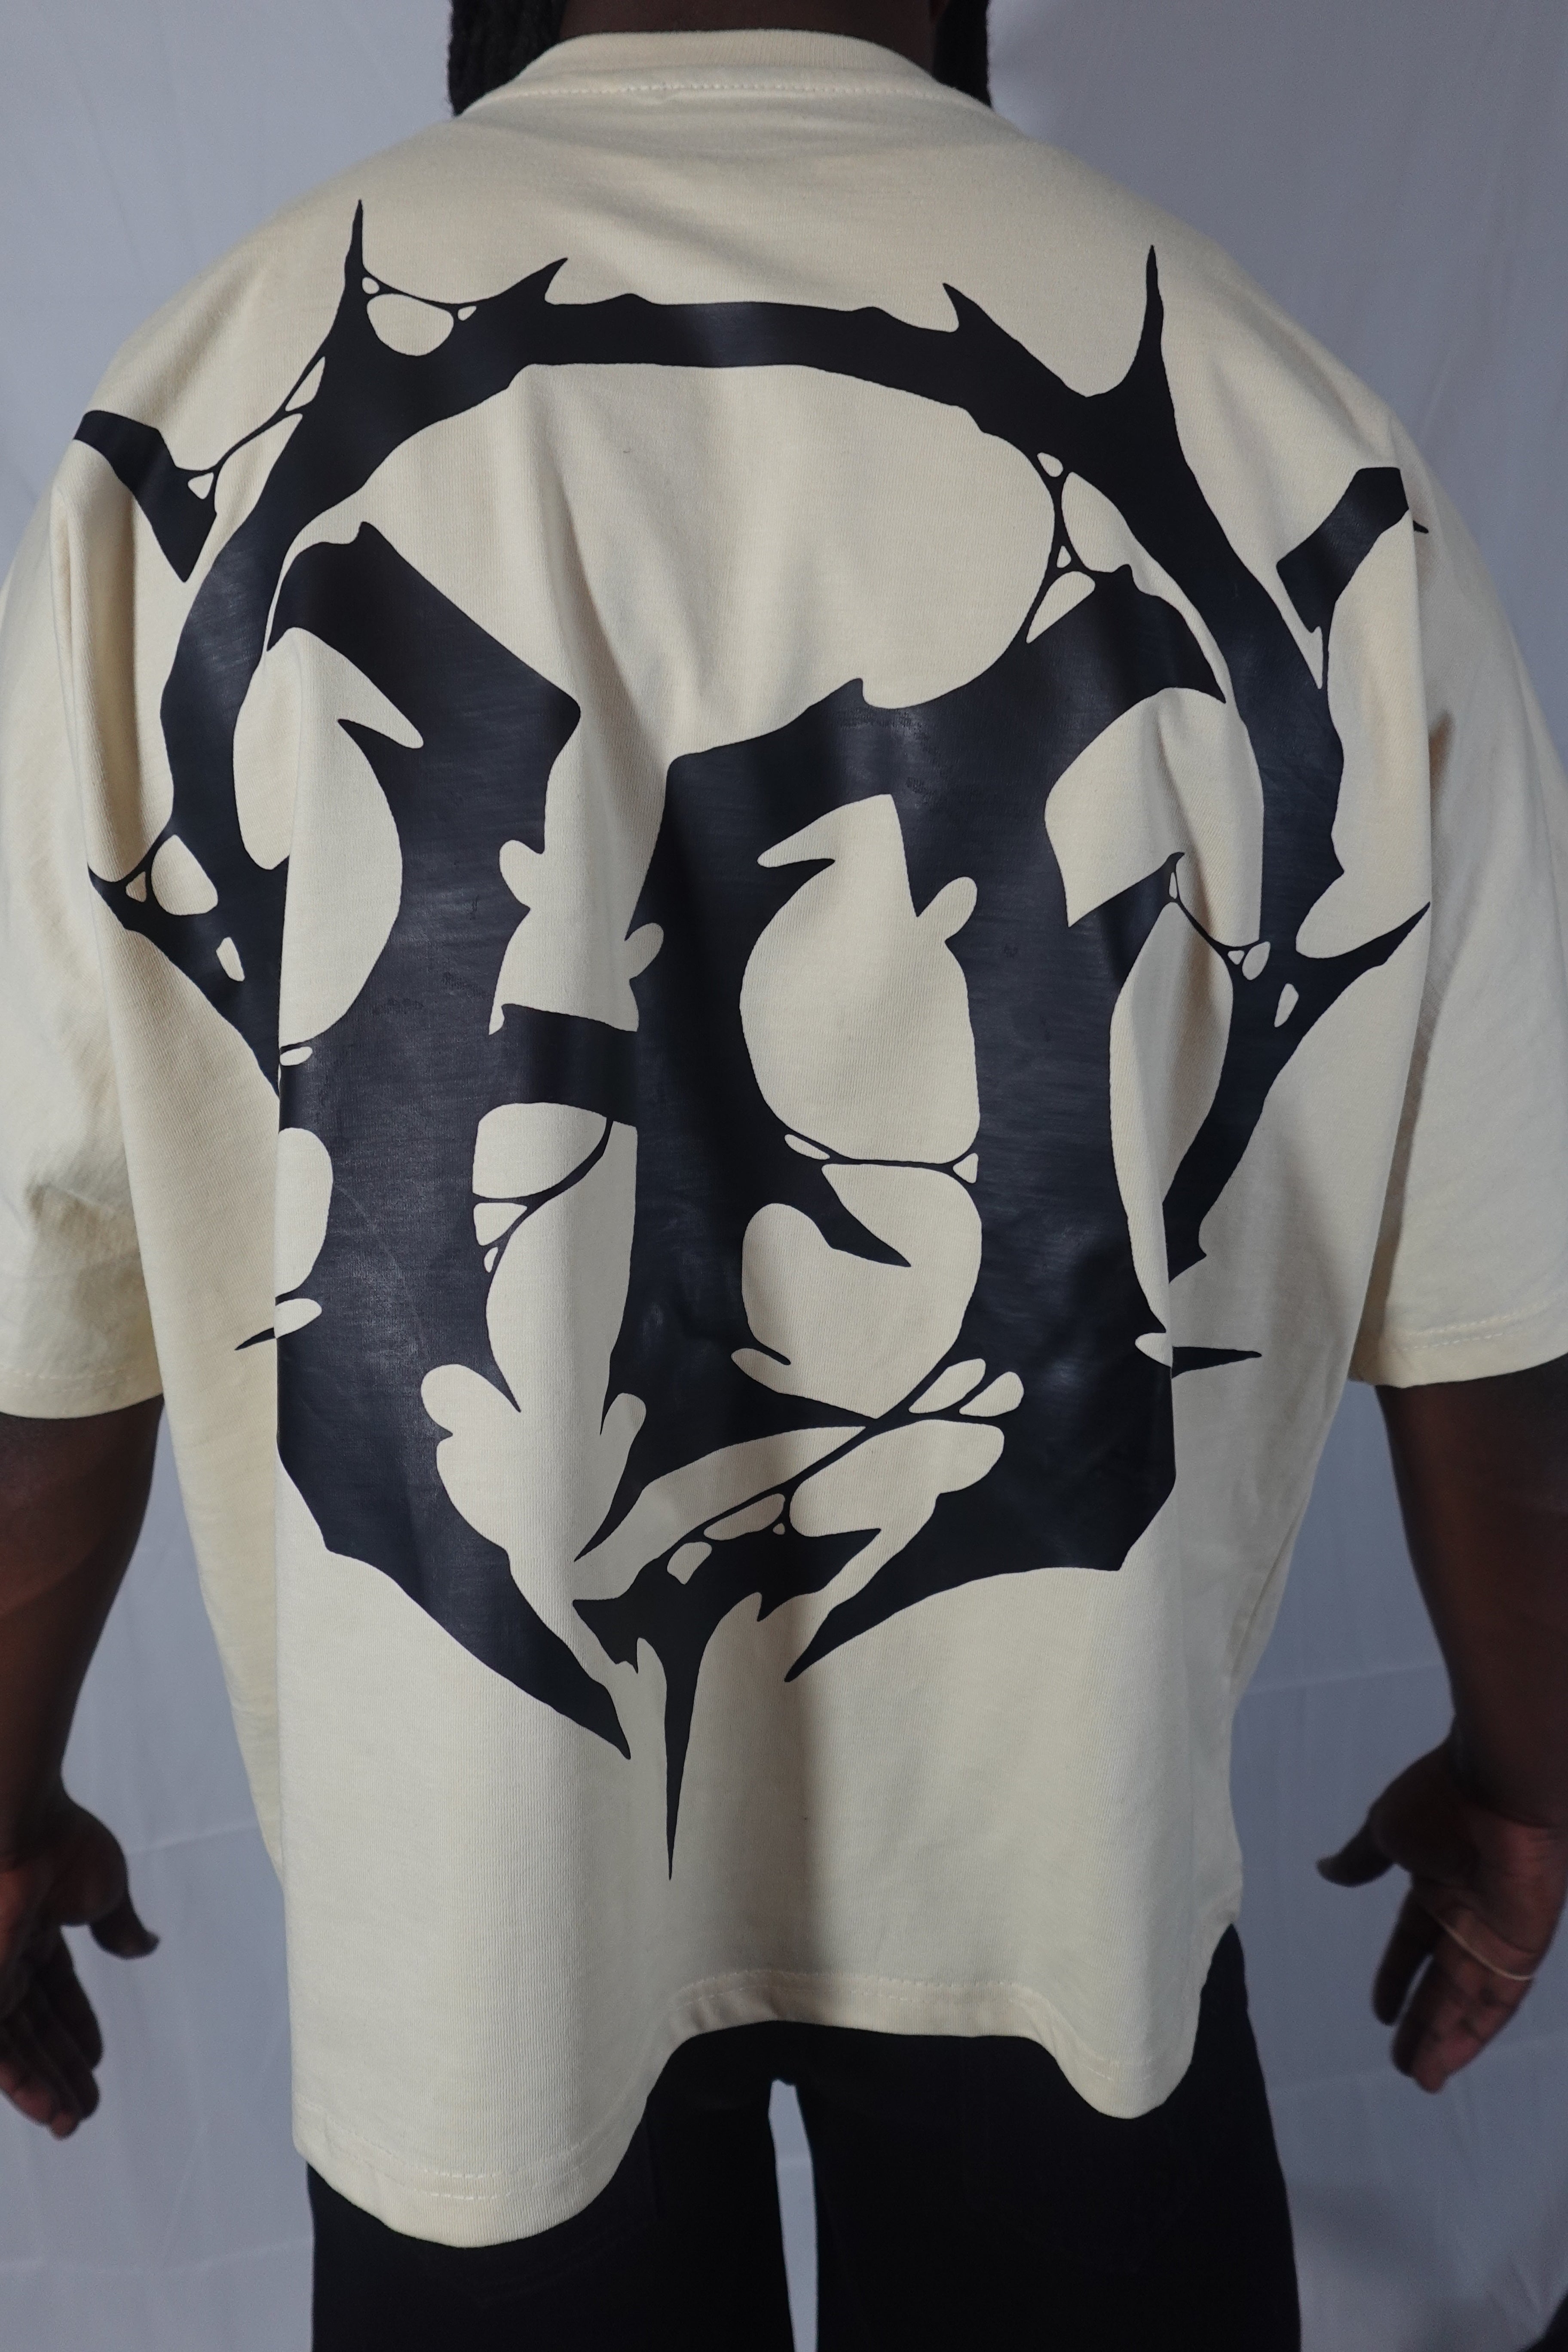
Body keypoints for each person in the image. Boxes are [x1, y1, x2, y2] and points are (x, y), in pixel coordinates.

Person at [1, 0, 1565, 2343]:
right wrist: (1530, 1773)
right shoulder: (1290, 431)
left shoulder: (188, 435)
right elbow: (1508, 1322)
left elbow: (40, 1295)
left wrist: (4, 1797)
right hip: (1057, 1856)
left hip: (482, 1913)